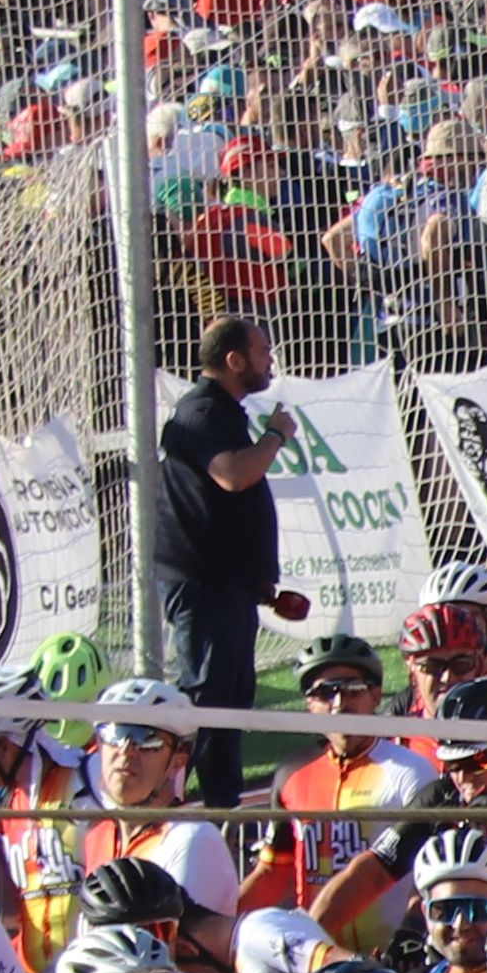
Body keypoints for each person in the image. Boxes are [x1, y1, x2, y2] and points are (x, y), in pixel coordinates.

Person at [154, 307, 304, 810]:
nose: (270, 360)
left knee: (230, 703)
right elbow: (234, 476)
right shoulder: (200, 413)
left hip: (227, 587)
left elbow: (227, 506)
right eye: (262, 352)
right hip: (204, 588)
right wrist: (275, 434)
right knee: (209, 704)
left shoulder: (222, 414)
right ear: (235, 360)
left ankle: (223, 807)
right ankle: (181, 804)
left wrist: (258, 584)